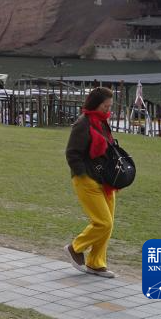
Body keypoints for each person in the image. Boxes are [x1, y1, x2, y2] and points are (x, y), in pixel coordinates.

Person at [64, 86, 119, 278]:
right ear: (96, 104)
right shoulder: (83, 123)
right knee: (102, 222)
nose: (108, 109)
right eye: (106, 106)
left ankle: (96, 263)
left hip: (106, 180)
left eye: (110, 106)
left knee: (108, 223)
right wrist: (82, 174)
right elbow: (72, 153)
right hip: (87, 179)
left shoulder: (103, 122)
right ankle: (75, 248)